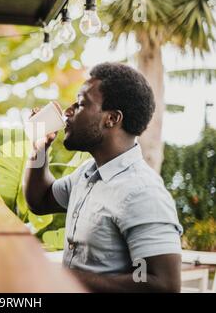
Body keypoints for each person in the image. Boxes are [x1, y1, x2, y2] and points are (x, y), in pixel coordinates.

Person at [24, 62, 183, 292]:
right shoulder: (88, 174)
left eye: (80, 104)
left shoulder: (142, 192)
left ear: (112, 118)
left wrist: (63, 277)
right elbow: (40, 200)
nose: (67, 112)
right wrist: (39, 149)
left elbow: (165, 285)